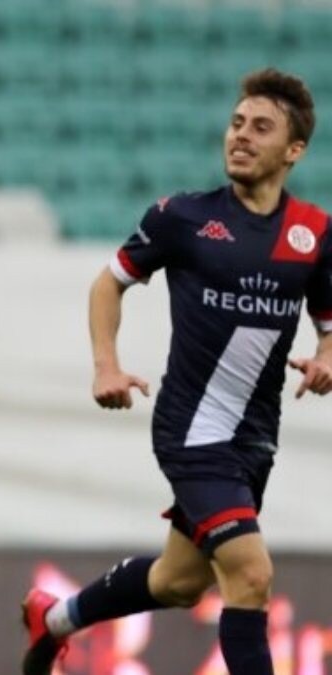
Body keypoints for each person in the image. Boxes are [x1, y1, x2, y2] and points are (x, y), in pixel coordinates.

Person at [21, 68, 332, 675]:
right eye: (236, 123)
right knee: (250, 574)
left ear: (294, 150)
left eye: (260, 127)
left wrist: (325, 358)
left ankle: (54, 618)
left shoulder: (314, 234)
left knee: (178, 582)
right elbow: (107, 284)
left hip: (253, 440)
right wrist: (106, 366)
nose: (240, 136)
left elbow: (328, 322)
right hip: (193, 431)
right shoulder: (183, 218)